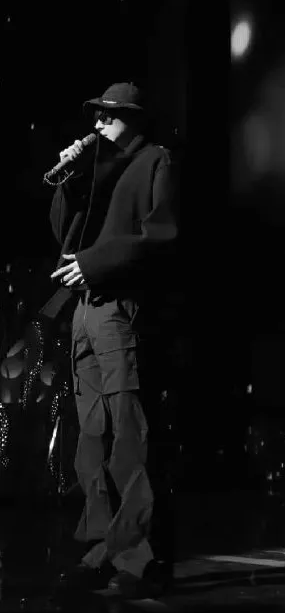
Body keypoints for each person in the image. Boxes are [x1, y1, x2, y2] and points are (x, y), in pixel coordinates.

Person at [46, 82, 178, 598]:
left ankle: (138, 559)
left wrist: (97, 264)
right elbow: (65, 236)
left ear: (135, 118)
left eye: (109, 115)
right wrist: (66, 183)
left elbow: (162, 234)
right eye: (96, 115)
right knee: (91, 439)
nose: (97, 122)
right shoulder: (96, 171)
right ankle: (103, 545)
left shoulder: (155, 161)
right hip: (86, 309)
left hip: (120, 307)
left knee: (128, 435)